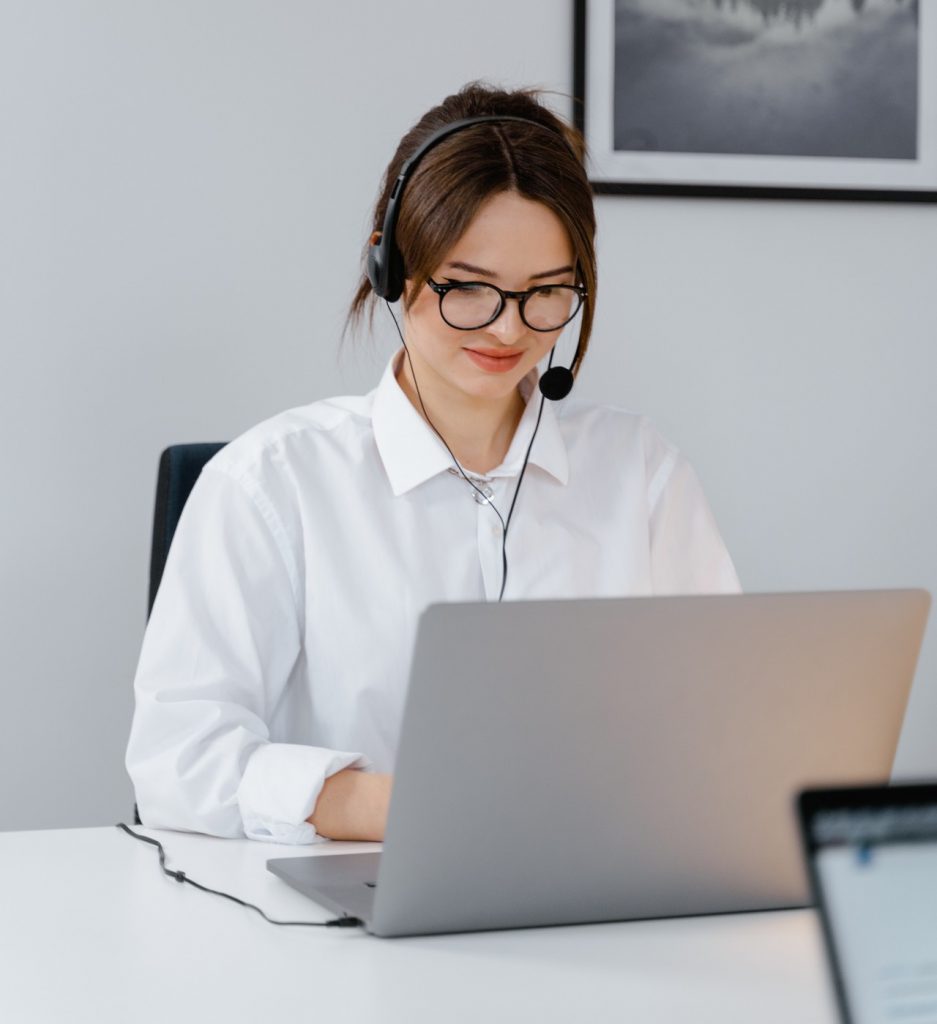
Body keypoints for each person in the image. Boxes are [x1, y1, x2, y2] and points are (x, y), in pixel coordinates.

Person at [126, 82, 740, 846]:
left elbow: (723, 725)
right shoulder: (270, 485)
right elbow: (177, 760)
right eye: (469, 289)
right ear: (394, 270)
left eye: (546, 293)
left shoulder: (640, 472)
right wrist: (407, 808)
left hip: (593, 893)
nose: (508, 328)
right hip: (343, 919)